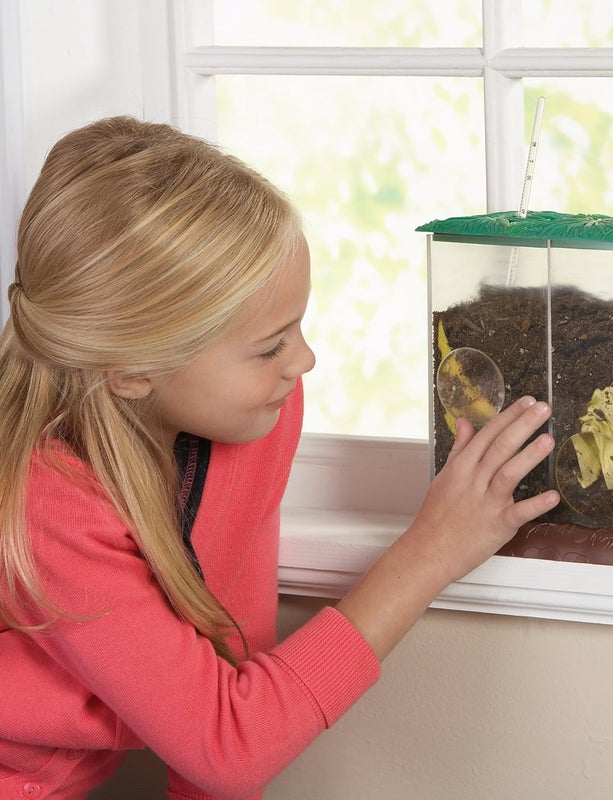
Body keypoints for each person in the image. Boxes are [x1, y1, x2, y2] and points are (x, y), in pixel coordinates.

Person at [0, 116, 559, 800]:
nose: (305, 360)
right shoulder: (47, 502)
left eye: (297, 328)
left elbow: (227, 661)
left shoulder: (255, 414)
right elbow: (229, 741)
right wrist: (431, 551)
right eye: (270, 346)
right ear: (132, 371)